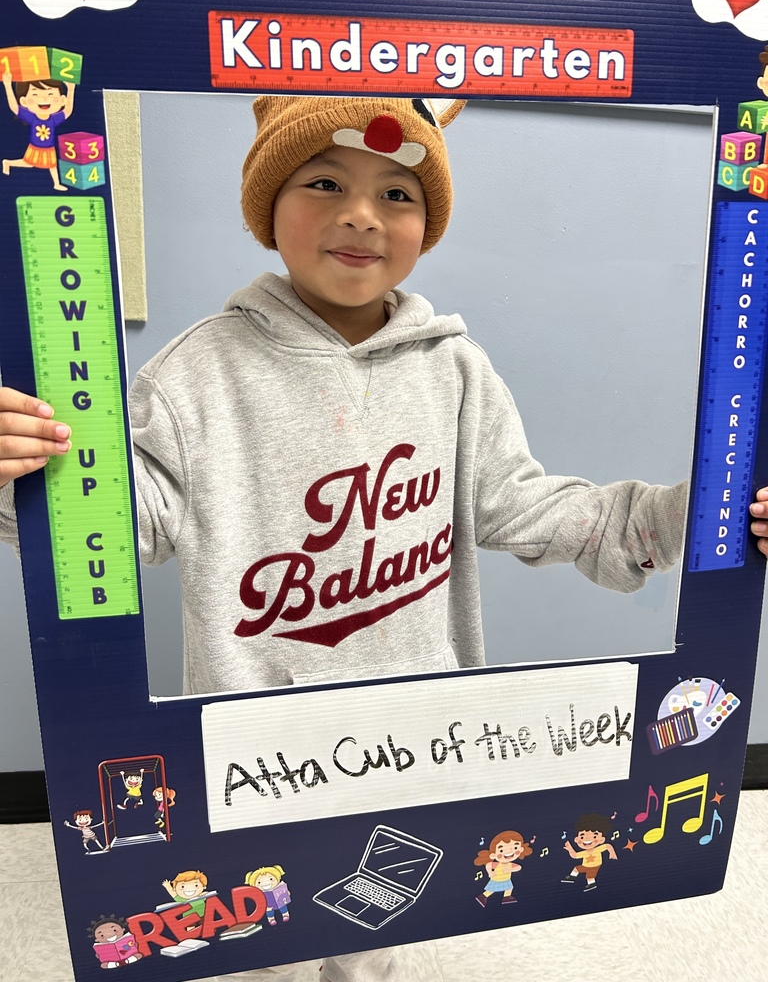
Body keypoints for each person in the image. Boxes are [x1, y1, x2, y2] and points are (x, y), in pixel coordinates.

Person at [1, 94, 767, 980]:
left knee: (382, 928)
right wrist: (28, 472)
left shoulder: (456, 370)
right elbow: (132, 527)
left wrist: (702, 510)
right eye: (324, 181)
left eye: (399, 195)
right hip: (258, 749)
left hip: (415, 733)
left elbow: (528, 506)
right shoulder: (194, 373)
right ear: (267, 210)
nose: (361, 214)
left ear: (427, 226)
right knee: (264, 938)